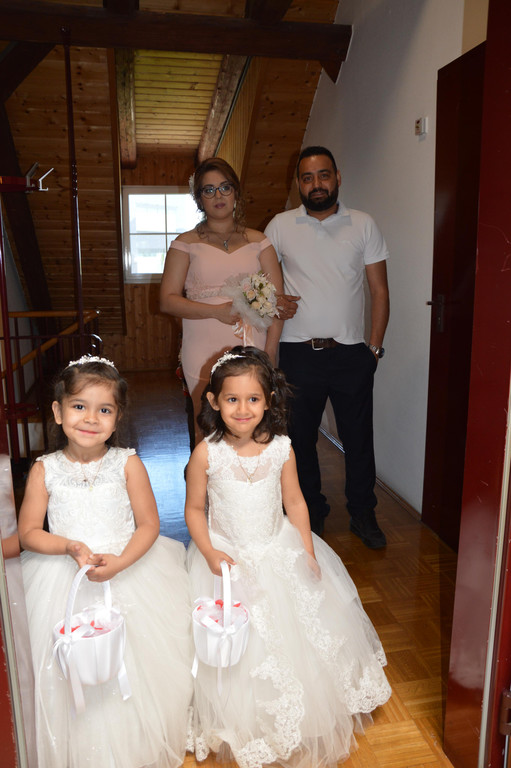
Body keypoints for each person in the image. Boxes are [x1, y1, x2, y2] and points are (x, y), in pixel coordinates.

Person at [185, 347, 391, 768]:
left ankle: (306, 709)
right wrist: (208, 551)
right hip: (226, 557)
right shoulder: (206, 452)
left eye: (253, 399)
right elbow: (194, 508)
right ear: (213, 401)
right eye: (232, 399)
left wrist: (307, 550)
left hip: (277, 548)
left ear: (269, 401)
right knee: (234, 644)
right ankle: (237, 718)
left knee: (301, 632)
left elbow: (295, 502)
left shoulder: (282, 448)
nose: (243, 409)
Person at [18, 355, 193, 768]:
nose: (90, 418)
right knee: (68, 663)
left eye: (104, 409)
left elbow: (149, 524)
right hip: (63, 576)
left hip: (127, 568)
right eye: (79, 406)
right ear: (58, 411)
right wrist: (67, 546)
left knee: (137, 660)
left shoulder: (127, 463)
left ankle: (136, 741)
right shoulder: (44, 470)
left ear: (117, 418)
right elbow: (29, 533)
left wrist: (121, 562)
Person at [264, 146, 390, 546]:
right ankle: (312, 514)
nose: (316, 184)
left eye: (323, 175)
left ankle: (363, 514)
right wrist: (274, 302)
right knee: (299, 440)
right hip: (297, 353)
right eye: (307, 177)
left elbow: (379, 291)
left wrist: (373, 350)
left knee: (358, 440)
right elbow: (260, 283)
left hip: (352, 354)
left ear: (337, 177)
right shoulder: (280, 226)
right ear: (298, 184)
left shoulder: (363, 224)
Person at [160, 157, 294, 446]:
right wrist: (216, 311)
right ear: (199, 199)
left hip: (253, 345)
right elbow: (167, 301)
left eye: (225, 187)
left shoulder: (260, 242)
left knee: (252, 425)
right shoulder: (185, 243)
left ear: (236, 192)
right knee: (207, 426)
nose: (218, 195)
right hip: (202, 347)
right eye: (208, 190)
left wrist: (271, 351)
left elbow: (277, 303)